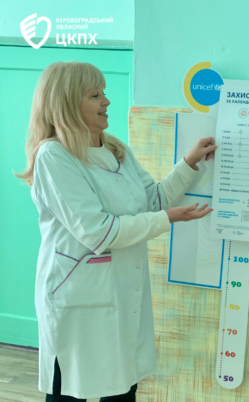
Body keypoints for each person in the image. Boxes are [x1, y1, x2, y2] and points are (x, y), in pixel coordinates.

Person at [15, 61, 216, 401]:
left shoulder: (115, 149)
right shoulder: (54, 156)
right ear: (67, 103)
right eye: (94, 95)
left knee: (123, 387)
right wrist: (167, 219)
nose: (106, 101)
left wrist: (189, 163)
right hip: (77, 298)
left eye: (104, 93)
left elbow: (152, 201)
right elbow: (99, 232)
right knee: (71, 389)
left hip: (123, 292)